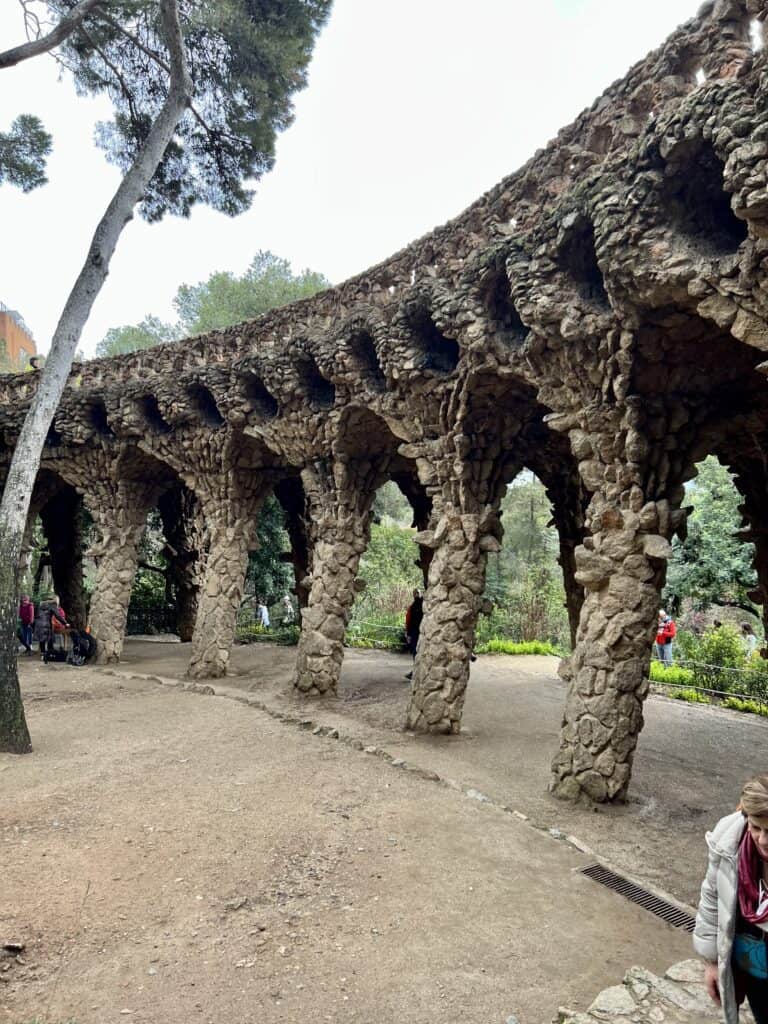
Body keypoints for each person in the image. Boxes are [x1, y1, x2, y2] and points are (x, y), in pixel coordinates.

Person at [694, 774, 768, 1023]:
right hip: (750, 966)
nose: (763, 840)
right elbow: (712, 899)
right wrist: (713, 961)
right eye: (756, 828)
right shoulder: (728, 841)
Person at [33, 594, 69, 663]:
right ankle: (49, 655)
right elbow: (58, 615)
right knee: (50, 639)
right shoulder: (53, 604)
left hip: (38, 624)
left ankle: (43, 654)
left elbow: (36, 614)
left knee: (42, 640)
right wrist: (65, 623)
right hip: (46, 624)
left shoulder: (41, 604)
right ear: (55, 600)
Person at [404, 588, 423, 680]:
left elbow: (408, 620)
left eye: (417, 593)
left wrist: (408, 633)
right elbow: (408, 620)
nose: (416, 594)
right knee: (417, 652)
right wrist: (408, 633)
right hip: (417, 632)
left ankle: (416, 672)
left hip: (419, 632)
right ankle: (416, 671)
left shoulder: (416, 606)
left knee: (417, 652)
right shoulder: (415, 606)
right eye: (416, 593)